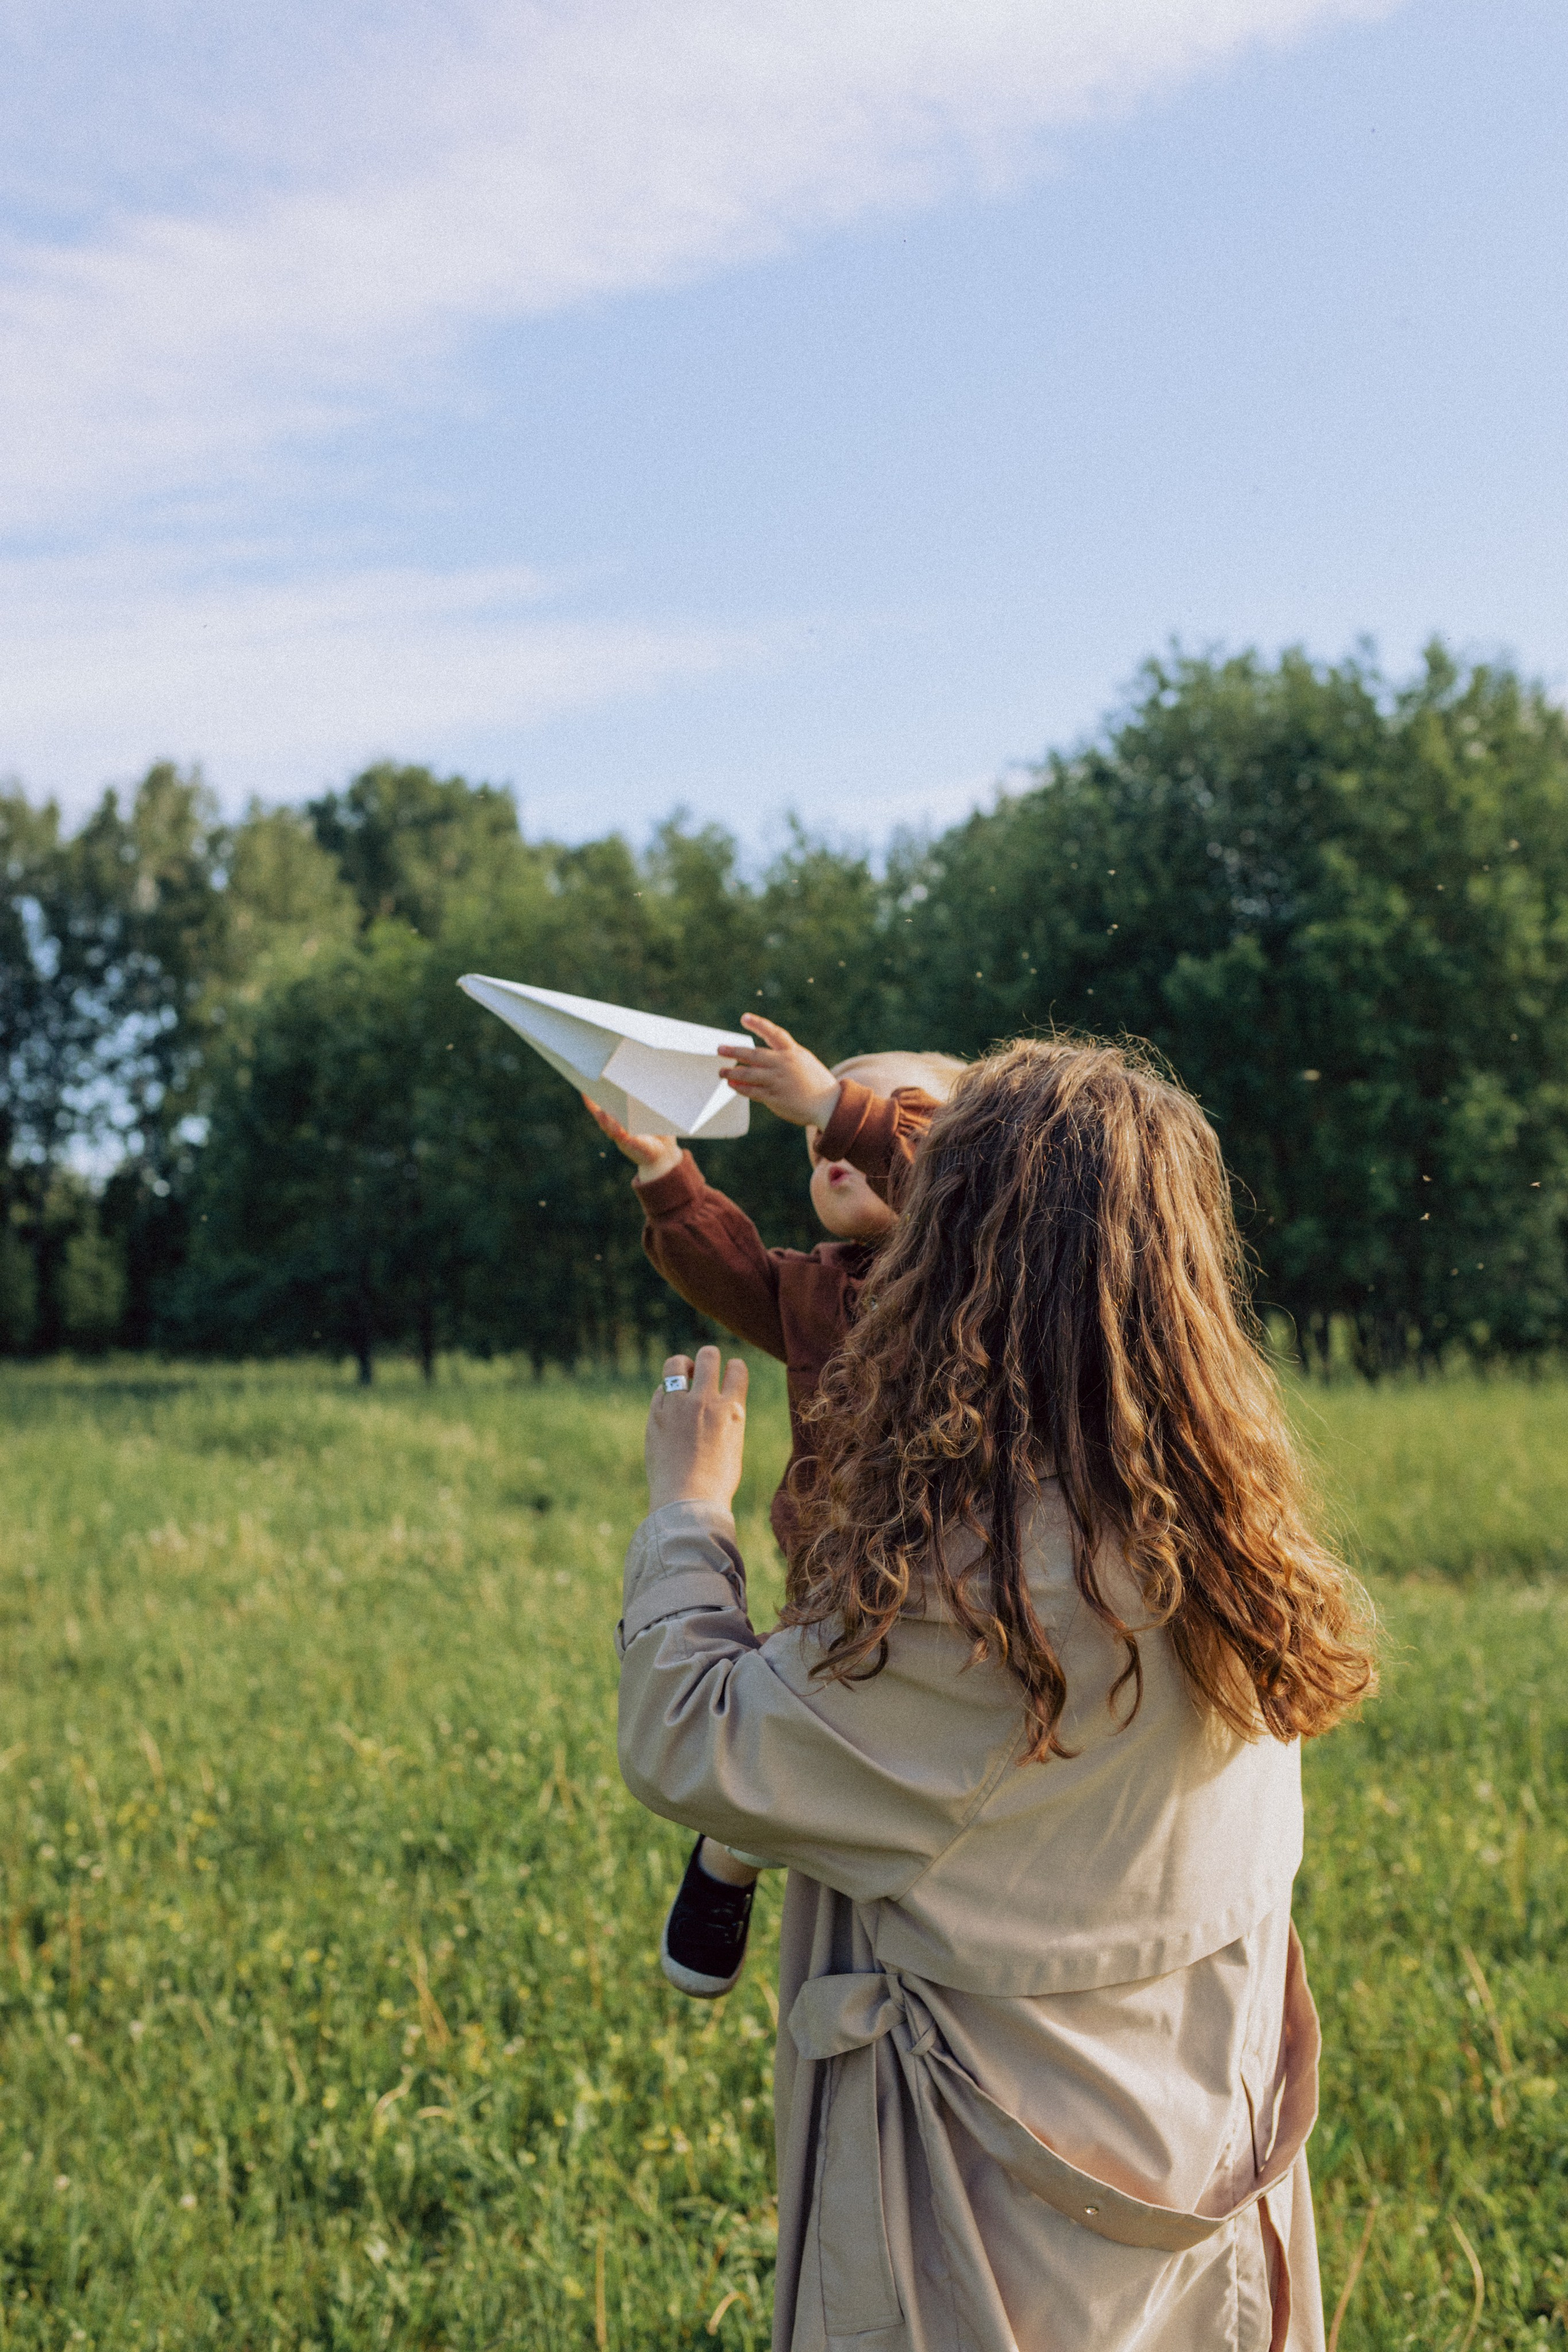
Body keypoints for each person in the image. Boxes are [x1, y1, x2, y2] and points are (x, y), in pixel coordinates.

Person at [614, 1038, 1375, 2352]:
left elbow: (693, 1741)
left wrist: (689, 1513)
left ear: (953, 1256)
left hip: (986, 2227)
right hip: (1207, 2158)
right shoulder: (1233, 1529)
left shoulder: (964, 1597)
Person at [584, 1012, 963, 1998]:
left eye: (895, 1115)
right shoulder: (814, 1291)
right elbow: (733, 1273)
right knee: (791, 1732)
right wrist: (665, 1170)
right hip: (837, 1581)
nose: (831, 1147)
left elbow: (967, 1188)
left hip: (963, 1578)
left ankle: (737, 1846)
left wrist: (838, 1106)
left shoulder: (983, 1278)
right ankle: (732, 1851)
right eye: (813, 1143)